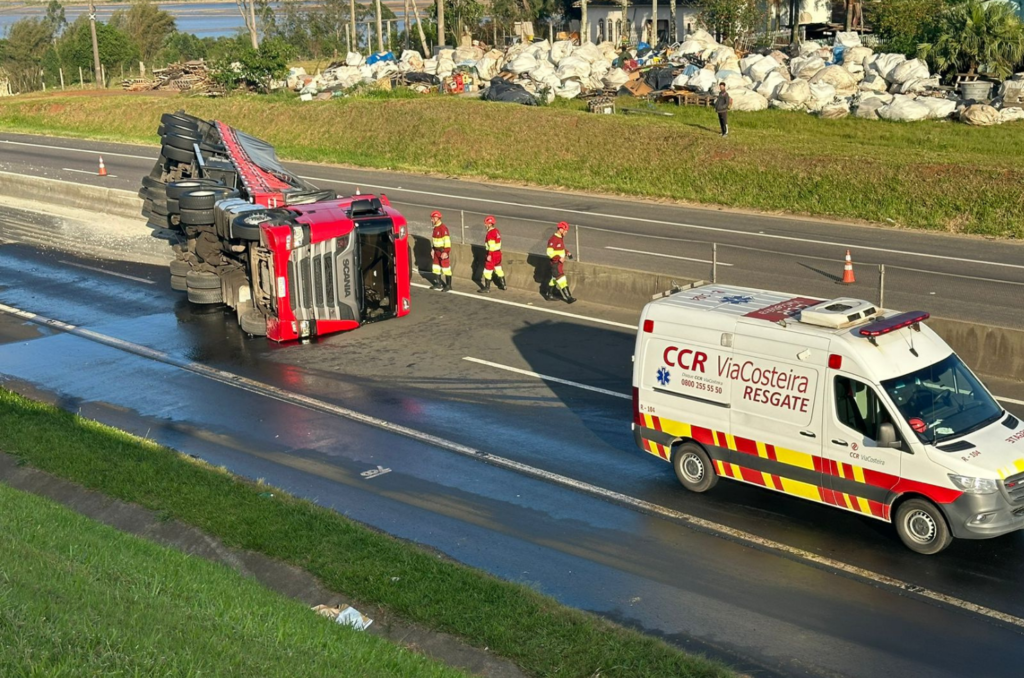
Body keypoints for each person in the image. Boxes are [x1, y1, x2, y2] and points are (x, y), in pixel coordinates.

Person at [544, 221, 576, 304]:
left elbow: (560, 249)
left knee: (554, 279)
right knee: (562, 279)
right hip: (556, 264)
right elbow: (549, 253)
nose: (566, 232)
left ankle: (549, 294)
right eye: (565, 231)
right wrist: (559, 258)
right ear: (561, 229)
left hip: (558, 264)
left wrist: (567, 252)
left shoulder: (560, 238)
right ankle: (568, 297)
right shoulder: (553, 239)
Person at [479, 215, 506, 294]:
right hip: (498, 253)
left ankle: (487, 288)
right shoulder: (497, 231)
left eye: (486, 223)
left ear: (490, 224)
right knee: (498, 269)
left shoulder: (490, 233)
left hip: (492, 253)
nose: (485, 225)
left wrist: (489, 255)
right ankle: (503, 285)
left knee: (487, 271)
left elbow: (491, 245)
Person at [430, 210, 452, 292]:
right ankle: (438, 283)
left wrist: (446, 252)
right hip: (436, 251)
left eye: (432, 218)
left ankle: (448, 285)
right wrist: (433, 249)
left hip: (442, 251)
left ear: (436, 218)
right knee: (436, 267)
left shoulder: (443, 228)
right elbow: (435, 241)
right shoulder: (435, 228)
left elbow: (447, 242)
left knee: (446, 268)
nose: (431, 220)